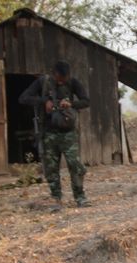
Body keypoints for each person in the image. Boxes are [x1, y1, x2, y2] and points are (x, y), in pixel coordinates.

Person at [19, 61, 90, 209]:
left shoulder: (73, 82)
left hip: (68, 133)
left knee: (75, 165)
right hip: (49, 133)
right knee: (51, 169)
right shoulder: (42, 82)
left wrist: (71, 104)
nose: (61, 81)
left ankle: (80, 197)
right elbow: (23, 98)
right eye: (59, 78)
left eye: (64, 79)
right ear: (54, 73)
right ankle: (56, 199)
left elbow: (86, 101)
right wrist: (44, 101)